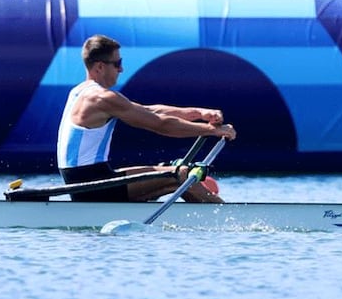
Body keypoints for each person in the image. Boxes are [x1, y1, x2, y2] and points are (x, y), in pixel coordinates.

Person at [57, 34, 236, 203]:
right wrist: (212, 130)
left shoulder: (79, 92)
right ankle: (229, 222)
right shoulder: (102, 98)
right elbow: (161, 125)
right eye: (117, 63)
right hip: (92, 185)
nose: (121, 69)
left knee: (173, 174)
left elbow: (150, 110)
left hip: (88, 180)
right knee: (182, 175)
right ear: (100, 67)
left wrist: (199, 113)